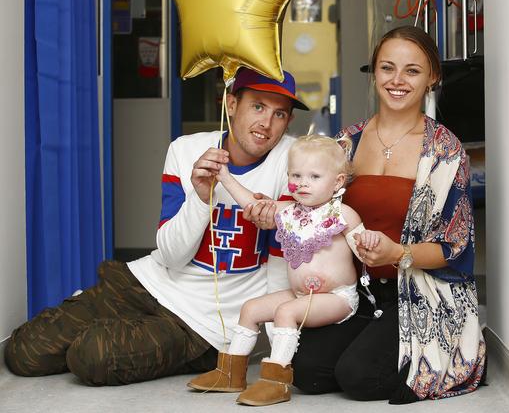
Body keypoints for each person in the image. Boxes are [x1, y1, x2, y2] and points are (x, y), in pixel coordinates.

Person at [3, 68, 309, 386]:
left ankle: (130, 336)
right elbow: (172, 256)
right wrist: (201, 197)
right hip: (145, 283)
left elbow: (289, 252)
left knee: (91, 355)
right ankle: (119, 323)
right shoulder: (186, 150)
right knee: (24, 352)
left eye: (279, 114)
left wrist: (275, 348)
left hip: (197, 323)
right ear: (231, 104)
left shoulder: (293, 160)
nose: (266, 124)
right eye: (257, 106)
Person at [291, 26, 486, 403]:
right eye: (387, 68)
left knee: (359, 378)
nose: (397, 80)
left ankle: (452, 354)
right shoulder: (346, 142)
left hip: (420, 291)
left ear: (432, 77)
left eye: (412, 70)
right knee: (307, 370)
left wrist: (397, 253)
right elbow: (313, 210)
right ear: (375, 72)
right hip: (359, 292)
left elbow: (455, 249)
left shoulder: (445, 151)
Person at [187, 134, 379, 406]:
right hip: (301, 294)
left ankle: (275, 380)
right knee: (251, 309)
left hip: (338, 298)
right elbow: (253, 205)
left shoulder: (343, 214)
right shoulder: (289, 210)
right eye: (296, 175)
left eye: (314, 177)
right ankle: (230, 373)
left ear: (337, 182)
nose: (302, 183)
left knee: (285, 312)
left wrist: (369, 241)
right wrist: (226, 177)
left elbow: (364, 253)